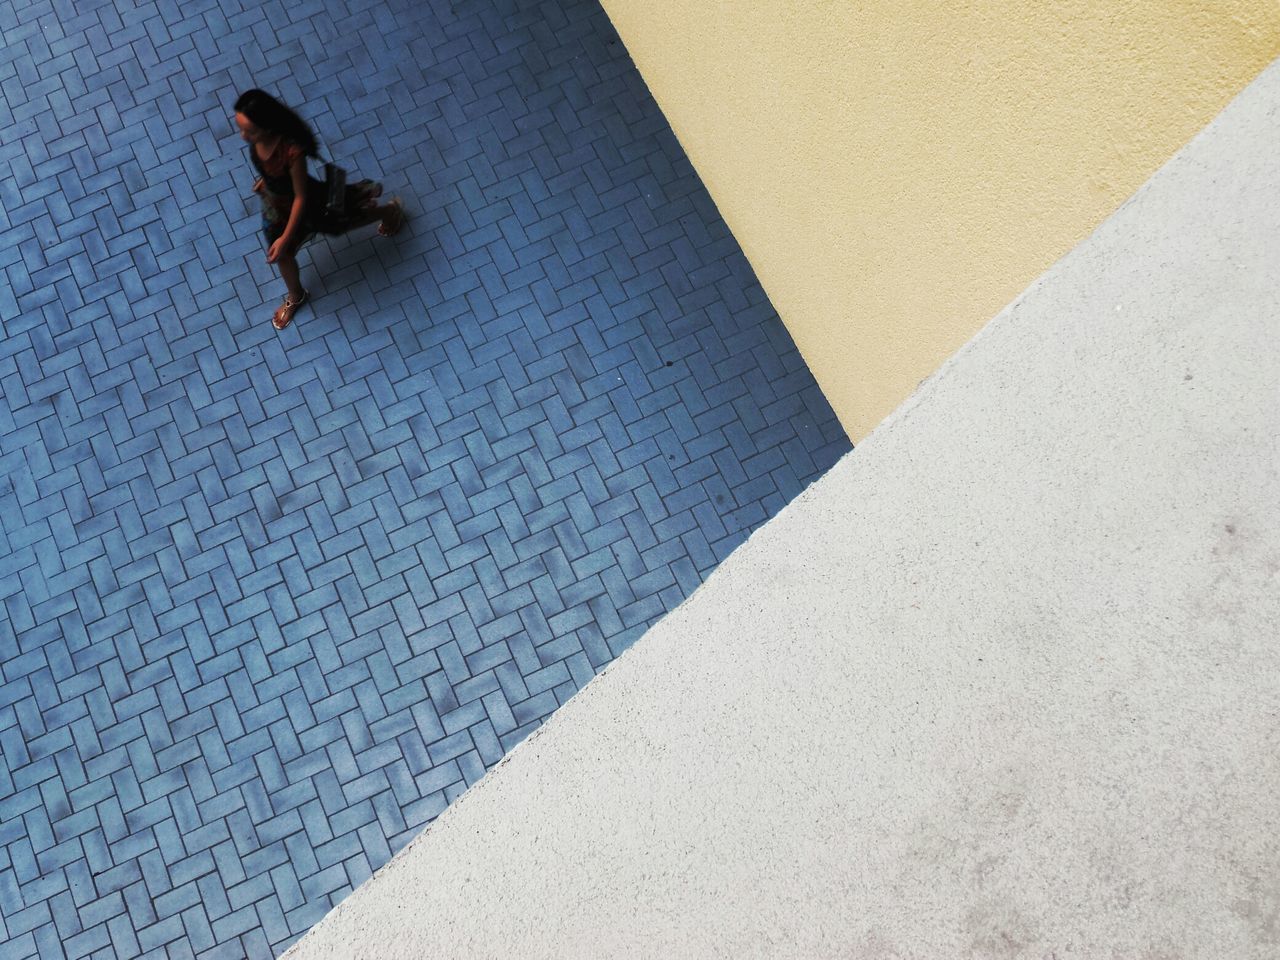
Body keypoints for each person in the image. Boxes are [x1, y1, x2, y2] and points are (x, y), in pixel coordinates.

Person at [233, 89, 406, 329]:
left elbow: (301, 198)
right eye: (240, 128)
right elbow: (271, 167)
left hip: (304, 206)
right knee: (282, 255)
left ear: (268, 126)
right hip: (275, 205)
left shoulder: (292, 152)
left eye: (249, 131)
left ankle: (388, 212)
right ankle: (296, 296)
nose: (243, 136)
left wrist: (286, 237)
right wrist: (267, 179)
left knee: (343, 222)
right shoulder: (258, 140)